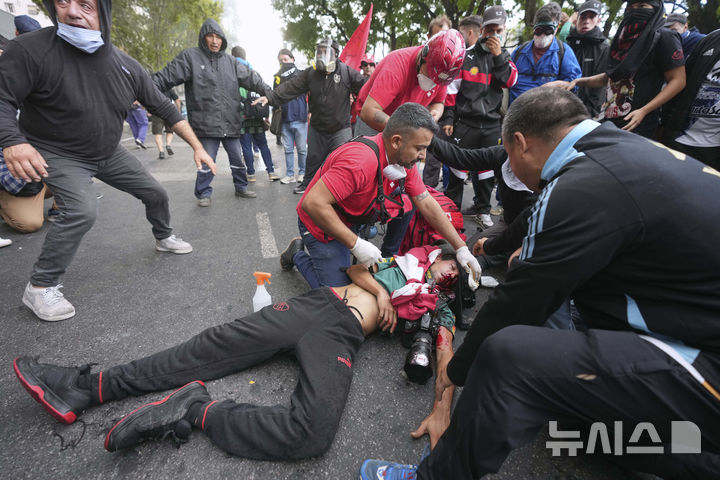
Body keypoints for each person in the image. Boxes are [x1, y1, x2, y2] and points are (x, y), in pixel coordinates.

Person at [360, 87, 720, 480]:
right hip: (692, 319)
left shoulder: (584, 182)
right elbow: (536, 225)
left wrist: (457, 370)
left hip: (706, 358)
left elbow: (519, 302)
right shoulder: (618, 150)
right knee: (583, 426)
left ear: (519, 143)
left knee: (509, 358)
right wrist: (490, 248)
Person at [14, 243, 462, 459]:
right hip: (319, 305)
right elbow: (354, 269)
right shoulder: (406, 262)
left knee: (310, 435)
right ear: (438, 255)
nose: (452, 274)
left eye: (458, 279)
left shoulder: (438, 307)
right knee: (207, 348)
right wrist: (381, 292)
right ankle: (88, 386)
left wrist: (442, 410)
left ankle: (194, 409)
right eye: (451, 265)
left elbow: (447, 356)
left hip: (341, 336)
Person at [0, 0, 215, 322]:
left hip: (107, 152)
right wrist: (13, 141)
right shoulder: (29, 50)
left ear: (104, 11)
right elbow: (3, 98)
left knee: (156, 193)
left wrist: (198, 147)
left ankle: (163, 236)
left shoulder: (127, 66)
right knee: (82, 210)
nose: (73, 11)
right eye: (63, 2)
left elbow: (164, 108)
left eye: (85, 5)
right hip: (58, 152)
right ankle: (41, 286)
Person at [280, 102, 482, 294]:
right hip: (321, 222)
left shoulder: (402, 160)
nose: (423, 156)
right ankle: (297, 253)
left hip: (354, 215)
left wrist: (461, 248)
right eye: (419, 148)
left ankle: (385, 253)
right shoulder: (360, 161)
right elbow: (312, 204)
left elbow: (427, 203)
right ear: (396, 141)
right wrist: (356, 244)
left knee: (408, 203)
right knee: (336, 296)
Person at [153, 18, 273, 206]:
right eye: (210, 36)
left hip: (231, 123)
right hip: (206, 124)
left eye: (218, 37)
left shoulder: (231, 62)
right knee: (206, 162)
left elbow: (253, 79)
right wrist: (144, 89)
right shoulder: (190, 57)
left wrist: (271, 94)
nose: (215, 41)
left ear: (223, 40)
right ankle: (203, 193)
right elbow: (165, 77)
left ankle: (241, 187)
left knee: (237, 160)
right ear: (203, 37)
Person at [549, 0, 686, 138]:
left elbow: (678, 80)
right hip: (610, 121)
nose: (635, 10)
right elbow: (611, 77)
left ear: (656, 9)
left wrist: (644, 110)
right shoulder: (624, 39)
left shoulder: (665, 36)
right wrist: (577, 82)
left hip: (638, 125)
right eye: (631, 7)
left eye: (642, 6)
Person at [254, 38, 365, 195]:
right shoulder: (311, 73)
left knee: (341, 161)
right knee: (313, 159)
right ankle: (307, 183)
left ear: (335, 54)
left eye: (326, 52)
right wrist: (270, 97)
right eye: (319, 52)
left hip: (341, 129)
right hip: (317, 128)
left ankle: (341, 191)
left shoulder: (347, 72)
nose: (321, 55)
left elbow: (366, 88)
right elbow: (291, 87)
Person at [442, 7, 518, 229]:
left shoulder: (504, 57)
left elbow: (510, 81)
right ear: (482, 29)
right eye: (489, 30)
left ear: (504, 31)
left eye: (498, 30)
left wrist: (498, 56)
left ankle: (483, 210)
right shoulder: (465, 56)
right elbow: (451, 91)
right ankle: (452, 212)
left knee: (486, 173)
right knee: (456, 169)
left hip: (492, 125)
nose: (493, 35)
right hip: (465, 123)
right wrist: (448, 119)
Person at [354, 29, 465, 136]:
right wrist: (406, 130)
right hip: (373, 122)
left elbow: (439, 102)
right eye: (430, 75)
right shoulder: (395, 66)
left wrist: (435, 113)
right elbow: (368, 112)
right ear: (424, 55)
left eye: (437, 82)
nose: (432, 83)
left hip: (404, 125)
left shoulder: (443, 73)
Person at [661, 28, 720, 168]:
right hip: (680, 138)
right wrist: (665, 123)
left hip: (714, 151)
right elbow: (682, 82)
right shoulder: (712, 39)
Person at [509, 2, 582, 105]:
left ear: (556, 28)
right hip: (516, 109)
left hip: (546, 110)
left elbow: (574, 83)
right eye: (539, 30)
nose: (543, 35)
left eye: (548, 30)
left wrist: (560, 85)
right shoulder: (519, 52)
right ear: (533, 27)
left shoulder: (563, 52)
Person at [566, 0, 610, 116]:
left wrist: (589, 113)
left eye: (591, 17)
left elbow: (601, 86)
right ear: (577, 20)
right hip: (563, 108)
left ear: (598, 20)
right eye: (583, 17)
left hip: (588, 112)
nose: (586, 21)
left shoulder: (604, 48)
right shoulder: (567, 45)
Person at [273, 48, 307, 185]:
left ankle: (303, 173)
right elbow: (274, 97)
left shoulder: (302, 75)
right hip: (284, 119)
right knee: (288, 150)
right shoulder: (277, 77)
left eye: (286, 59)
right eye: (281, 61)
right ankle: (290, 175)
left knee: (302, 149)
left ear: (293, 59)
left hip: (300, 117)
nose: (284, 62)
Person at [150, 88, 181, 159]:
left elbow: (148, 100)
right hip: (168, 111)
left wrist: (148, 110)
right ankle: (168, 145)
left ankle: (161, 152)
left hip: (157, 112)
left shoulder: (154, 89)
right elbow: (177, 100)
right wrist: (178, 111)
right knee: (170, 131)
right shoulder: (169, 89)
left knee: (158, 133)